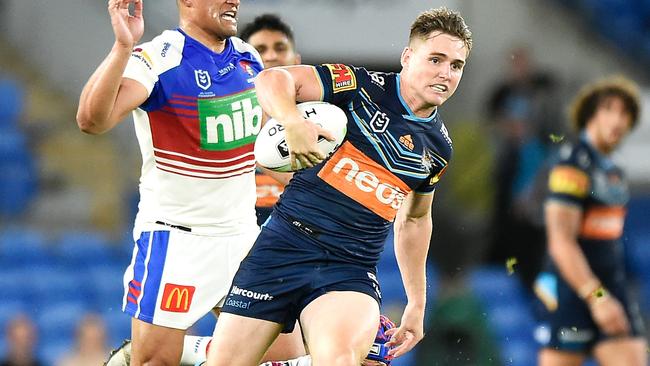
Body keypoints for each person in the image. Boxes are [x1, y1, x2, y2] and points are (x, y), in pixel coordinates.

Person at [206, 7, 472, 366]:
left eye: (456, 66)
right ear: (408, 57)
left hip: (348, 268)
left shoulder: (439, 148)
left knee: (339, 359)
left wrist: (417, 302)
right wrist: (291, 121)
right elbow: (272, 81)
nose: (445, 73)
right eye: (436, 59)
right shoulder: (358, 84)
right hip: (282, 248)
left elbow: (414, 220)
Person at [76, 1, 304, 365]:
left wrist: (329, 190)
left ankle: (199, 353)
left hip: (244, 238)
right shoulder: (158, 58)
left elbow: (263, 151)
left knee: (284, 360)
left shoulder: (247, 57)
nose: (234, 1)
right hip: (178, 243)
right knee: (154, 361)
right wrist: (122, 47)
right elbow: (91, 120)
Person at [534, 76, 648, 365]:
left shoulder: (614, 172)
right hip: (571, 290)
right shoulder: (572, 163)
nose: (618, 120)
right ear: (589, 115)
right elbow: (561, 242)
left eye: (625, 113)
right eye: (609, 109)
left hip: (612, 286)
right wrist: (596, 297)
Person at [239, 13, 301, 225]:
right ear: (241, 63)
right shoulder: (224, 123)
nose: (272, 56)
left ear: (297, 61)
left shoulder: (323, 123)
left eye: (280, 48)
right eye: (260, 50)